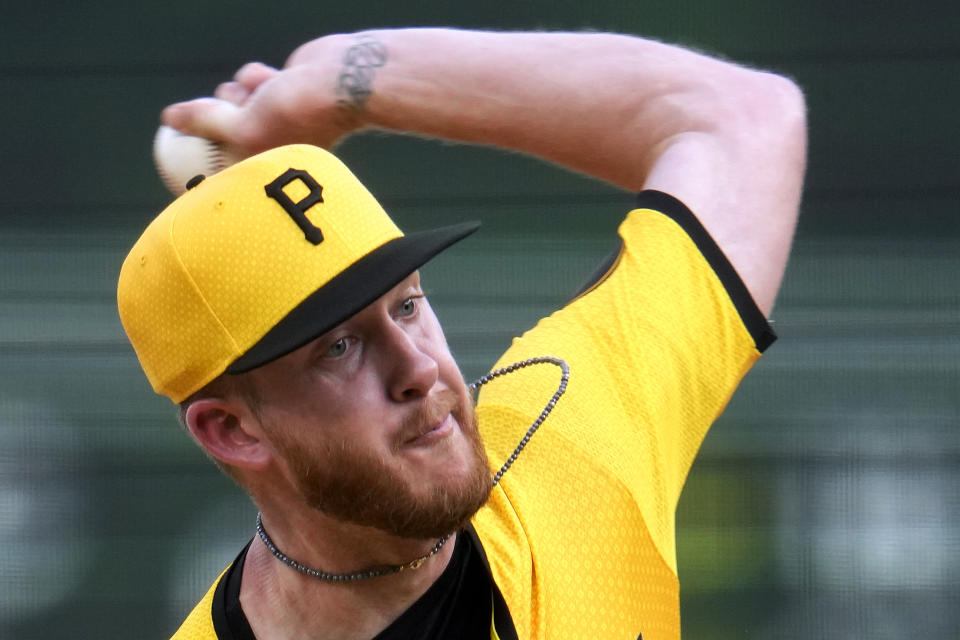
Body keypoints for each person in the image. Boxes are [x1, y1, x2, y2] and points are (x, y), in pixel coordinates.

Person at [118, 28, 806, 640]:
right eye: (339, 348)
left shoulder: (566, 450)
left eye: (407, 305)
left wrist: (348, 81)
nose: (417, 368)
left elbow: (740, 119)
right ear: (232, 430)